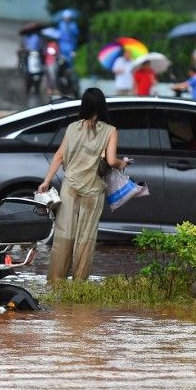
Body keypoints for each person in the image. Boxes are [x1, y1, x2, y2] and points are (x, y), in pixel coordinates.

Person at [38, 88, 131, 282]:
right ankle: (79, 284)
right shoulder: (110, 131)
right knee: (86, 238)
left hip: (69, 188)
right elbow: (112, 161)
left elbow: (59, 155)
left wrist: (47, 180)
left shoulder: (73, 127)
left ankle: (55, 282)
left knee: (63, 235)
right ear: (103, 106)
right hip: (93, 190)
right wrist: (124, 163)